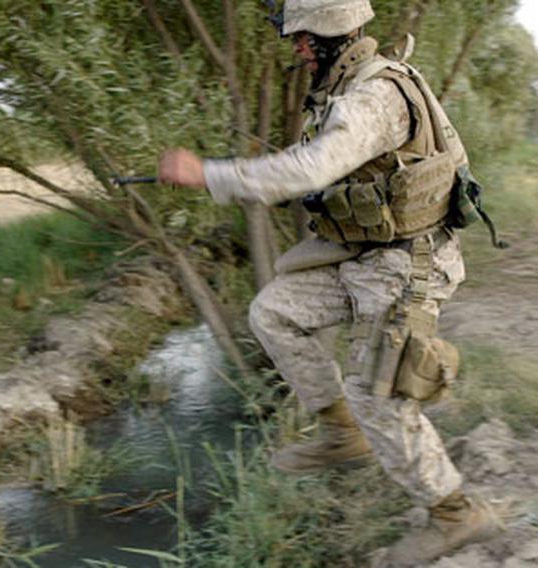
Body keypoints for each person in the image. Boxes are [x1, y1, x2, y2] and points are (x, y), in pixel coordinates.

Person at [157, 0, 502, 565]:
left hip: (405, 266)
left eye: (304, 39)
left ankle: (455, 514)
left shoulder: (374, 95)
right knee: (275, 311)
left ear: (333, 35)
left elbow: (312, 168)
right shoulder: (347, 86)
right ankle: (341, 432)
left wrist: (209, 174)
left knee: (380, 399)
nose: (296, 49)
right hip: (364, 257)